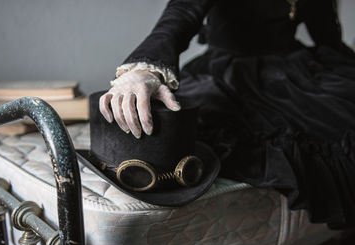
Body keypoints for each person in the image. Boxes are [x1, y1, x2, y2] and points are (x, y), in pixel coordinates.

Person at [99, 0, 355, 229]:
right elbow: (183, 11)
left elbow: (328, 36)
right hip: (229, 73)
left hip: (298, 72)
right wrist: (146, 68)